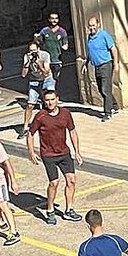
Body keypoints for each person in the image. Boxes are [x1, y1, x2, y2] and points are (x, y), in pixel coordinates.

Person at [27, 90, 83, 225]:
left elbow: (72, 131)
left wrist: (77, 151)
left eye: (52, 99)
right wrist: (31, 152)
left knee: (71, 181)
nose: (50, 102)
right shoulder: (41, 116)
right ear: (44, 101)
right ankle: (50, 210)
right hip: (49, 154)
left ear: (57, 99)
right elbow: (30, 134)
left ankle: (69, 210)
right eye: (47, 100)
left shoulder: (66, 114)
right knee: (54, 183)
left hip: (64, 153)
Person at [81, 16, 119, 122]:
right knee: (101, 89)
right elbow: (90, 52)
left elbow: (113, 49)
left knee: (105, 89)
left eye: (93, 25)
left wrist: (116, 64)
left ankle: (107, 113)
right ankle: (115, 106)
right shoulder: (90, 37)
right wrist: (85, 63)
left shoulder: (104, 35)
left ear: (98, 25)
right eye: (90, 26)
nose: (92, 28)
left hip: (106, 65)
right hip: (96, 66)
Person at [19, 41, 54, 139]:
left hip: (46, 79)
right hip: (34, 81)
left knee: (49, 101)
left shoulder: (45, 55)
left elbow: (46, 73)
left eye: (34, 50)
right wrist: (27, 64)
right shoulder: (27, 57)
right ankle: (25, 127)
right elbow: (23, 74)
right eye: (31, 51)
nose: (33, 53)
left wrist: (39, 64)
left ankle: (51, 121)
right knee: (30, 105)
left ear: (38, 49)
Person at [36, 13, 69, 80]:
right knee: (47, 77)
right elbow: (39, 43)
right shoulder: (44, 31)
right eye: (52, 18)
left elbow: (65, 43)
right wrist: (36, 39)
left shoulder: (62, 31)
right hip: (47, 59)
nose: (54, 20)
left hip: (57, 59)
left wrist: (65, 47)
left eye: (56, 18)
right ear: (49, 19)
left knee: (56, 77)